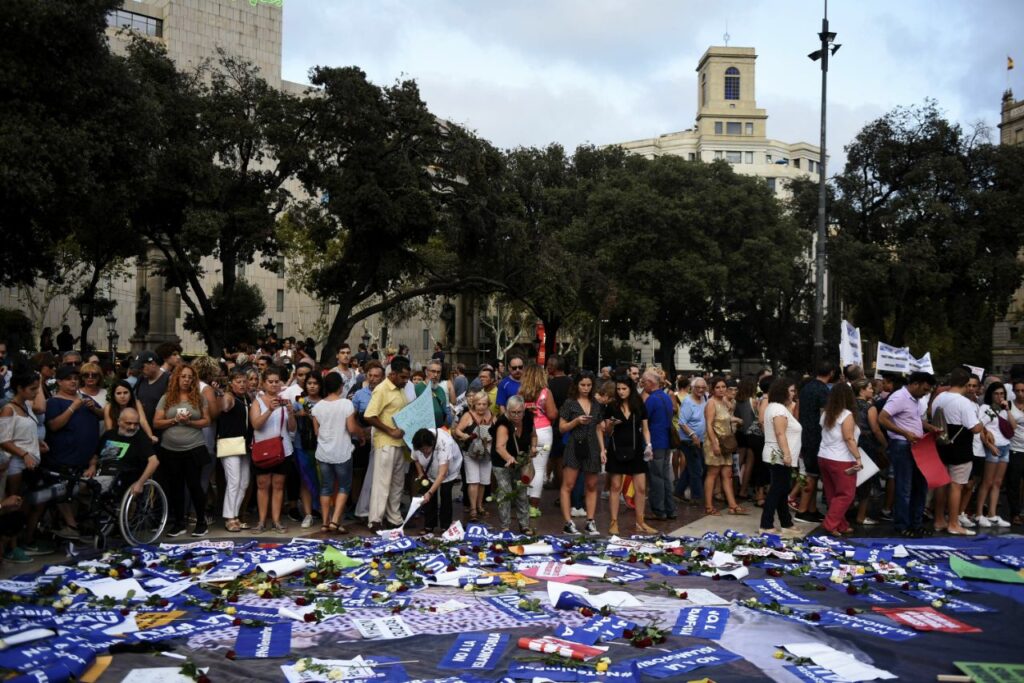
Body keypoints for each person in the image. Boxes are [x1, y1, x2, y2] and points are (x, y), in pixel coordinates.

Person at [154, 364, 211, 538]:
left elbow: (206, 421)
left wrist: (190, 423)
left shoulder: (199, 398)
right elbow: (156, 422)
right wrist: (174, 420)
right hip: (170, 449)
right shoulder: (166, 398)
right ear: (176, 378)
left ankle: (201, 522)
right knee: (175, 487)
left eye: (190, 377)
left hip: (194, 447)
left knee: (195, 486)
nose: (186, 380)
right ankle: (179, 523)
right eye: (183, 376)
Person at [878, 371, 937, 537]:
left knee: (920, 486)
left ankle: (916, 524)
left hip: (918, 445)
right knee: (904, 487)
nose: (925, 393)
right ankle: (902, 525)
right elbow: (882, 418)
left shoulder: (916, 399)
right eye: (924, 389)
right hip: (902, 445)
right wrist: (904, 433)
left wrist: (928, 427)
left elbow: (914, 419)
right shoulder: (899, 397)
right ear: (915, 384)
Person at [44, 365, 99, 539]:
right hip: (63, 458)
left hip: (86, 459)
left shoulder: (84, 398)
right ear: (59, 382)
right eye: (69, 378)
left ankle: (78, 524)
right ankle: (71, 526)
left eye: (76, 378)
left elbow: (104, 414)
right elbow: (54, 425)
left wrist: (93, 408)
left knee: (81, 492)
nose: (74, 381)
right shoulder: (54, 402)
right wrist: (72, 408)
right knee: (61, 492)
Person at [0, 373, 46, 563]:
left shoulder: (27, 405)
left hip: (31, 462)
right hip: (16, 465)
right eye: (32, 388)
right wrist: (24, 454)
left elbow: (26, 430)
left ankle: (18, 542)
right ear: (19, 388)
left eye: (37, 388)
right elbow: (3, 440)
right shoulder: (8, 410)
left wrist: (37, 443)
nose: (36, 392)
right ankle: (11, 547)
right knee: (14, 504)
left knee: (26, 504)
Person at [930, 368, 982, 536]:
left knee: (941, 485)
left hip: (940, 443)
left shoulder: (938, 398)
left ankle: (939, 520)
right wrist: (981, 424)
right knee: (956, 485)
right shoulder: (964, 402)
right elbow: (974, 428)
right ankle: (953, 523)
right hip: (960, 447)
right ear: (966, 384)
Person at [363, 357, 411, 530]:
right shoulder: (382, 389)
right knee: (382, 482)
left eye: (407, 378)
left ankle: (394, 517)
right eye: (403, 377)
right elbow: (369, 415)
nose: (406, 381)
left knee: (397, 483)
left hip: (399, 443)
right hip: (386, 442)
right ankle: (375, 519)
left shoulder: (399, 389)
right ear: (393, 374)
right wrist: (389, 430)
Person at [248, 366, 297, 533]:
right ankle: (262, 521)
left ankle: (276, 521)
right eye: (270, 382)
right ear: (264, 383)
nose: (274, 385)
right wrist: (270, 409)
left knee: (278, 485)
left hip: (283, 449)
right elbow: (256, 424)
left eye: (277, 382)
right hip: (262, 448)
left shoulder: (285, 401)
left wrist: (291, 412)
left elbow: (292, 428)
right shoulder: (257, 402)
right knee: (262, 485)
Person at [605, 378, 656, 535]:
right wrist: (612, 424)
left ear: (630, 389)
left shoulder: (639, 404)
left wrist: (648, 445)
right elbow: (607, 430)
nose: (621, 392)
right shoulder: (612, 406)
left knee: (641, 487)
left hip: (636, 449)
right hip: (616, 448)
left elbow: (645, 428)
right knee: (615, 487)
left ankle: (640, 521)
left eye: (624, 388)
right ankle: (613, 522)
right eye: (619, 389)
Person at [312, 372, 361, 534]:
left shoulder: (317, 407)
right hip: (342, 451)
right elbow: (352, 428)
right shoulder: (346, 404)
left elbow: (317, 432)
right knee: (344, 487)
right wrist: (362, 434)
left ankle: (325, 522)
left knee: (326, 487)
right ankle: (335, 520)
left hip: (323, 452)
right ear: (341, 387)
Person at [559, 371, 604, 536]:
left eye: (589, 385)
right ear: (576, 386)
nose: (585, 388)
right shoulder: (569, 403)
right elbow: (562, 427)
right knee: (568, 485)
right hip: (574, 445)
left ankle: (590, 521)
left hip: (592, 446)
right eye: (582, 385)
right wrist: (576, 421)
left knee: (592, 485)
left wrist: (602, 449)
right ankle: (568, 522)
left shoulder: (596, 403)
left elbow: (599, 427)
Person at [817, 383, 863, 536]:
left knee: (832, 494)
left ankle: (841, 525)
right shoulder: (846, 414)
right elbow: (849, 438)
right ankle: (830, 524)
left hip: (824, 456)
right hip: (842, 459)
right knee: (846, 494)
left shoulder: (826, 413)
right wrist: (858, 458)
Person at [793, 362, 835, 524]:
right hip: (816, 436)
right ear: (831, 373)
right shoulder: (824, 390)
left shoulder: (806, 387)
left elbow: (799, 410)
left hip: (805, 434)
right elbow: (826, 416)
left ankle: (811, 509)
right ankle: (803, 511)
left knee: (812, 473)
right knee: (811, 474)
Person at [759, 378, 801, 535]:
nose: (793, 394)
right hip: (778, 455)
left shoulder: (776, 407)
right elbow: (780, 433)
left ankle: (786, 522)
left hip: (777, 455)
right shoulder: (778, 410)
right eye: (791, 391)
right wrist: (787, 454)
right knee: (777, 490)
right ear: (782, 392)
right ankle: (766, 524)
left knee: (782, 490)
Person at [973, 382, 1016, 528]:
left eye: (1002, 394)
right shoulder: (985, 408)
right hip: (993, 447)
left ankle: (992, 514)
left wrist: (1008, 410)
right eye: (996, 394)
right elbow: (981, 426)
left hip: (1005, 446)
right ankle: (979, 514)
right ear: (990, 395)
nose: (999, 396)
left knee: (997, 482)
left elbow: (1013, 426)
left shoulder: (1004, 409)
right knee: (987, 482)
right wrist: (989, 445)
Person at [492, 395, 536, 534]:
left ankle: (524, 525)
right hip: (502, 463)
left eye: (519, 412)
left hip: (521, 461)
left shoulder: (528, 417)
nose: (516, 415)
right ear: (508, 411)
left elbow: (533, 435)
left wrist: (534, 447)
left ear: (524, 409)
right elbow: (500, 447)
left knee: (522, 493)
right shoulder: (503, 423)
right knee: (505, 493)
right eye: (513, 412)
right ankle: (505, 526)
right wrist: (509, 458)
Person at [702, 377, 745, 516]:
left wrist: (736, 419)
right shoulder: (711, 403)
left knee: (727, 474)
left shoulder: (724, 403)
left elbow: (724, 418)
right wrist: (714, 443)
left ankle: (733, 505)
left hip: (726, 443)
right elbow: (709, 424)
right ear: (713, 389)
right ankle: (709, 506)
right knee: (713, 474)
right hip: (714, 442)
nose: (721, 389)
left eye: (723, 387)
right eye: (718, 387)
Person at [519, 364, 556, 520]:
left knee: (525, 467)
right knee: (539, 469)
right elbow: (553, 414)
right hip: (543, 430)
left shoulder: (520, 393)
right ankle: (533, 507)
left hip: (525, 431)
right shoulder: (545, 393)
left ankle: (523, 504)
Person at [97, 408, 160, 499]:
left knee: (88, 487)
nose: (132, 427)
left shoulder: (140, 438)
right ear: (119, 421)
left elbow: (154, 462)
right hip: (103, 473)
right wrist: (92, 466)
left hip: (124, 479)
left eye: (135, 424)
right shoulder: (109, 435)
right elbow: (95, 455)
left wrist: (140, 483)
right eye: (128, 423)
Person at [217, 368, 252, 532]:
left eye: (245, 381)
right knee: (234, 481)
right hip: (230, 443)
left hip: (245, 445)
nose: (243, 384)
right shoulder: (230, 396)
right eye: (238, 381)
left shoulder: (247, 398)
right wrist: (222, 393)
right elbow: (224, 407)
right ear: (231, 383)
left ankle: (235, 515)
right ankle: (229, 517)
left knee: (244, 482)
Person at [412, 427, 462, 534]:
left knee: (445, 493)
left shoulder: (444, 444)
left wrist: (430, 492)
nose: (424, 453)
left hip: (449, 471)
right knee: (428, 499)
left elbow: (442, 474)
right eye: (422, 450)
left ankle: (445, 525)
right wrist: (421, 474)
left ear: (433, 444)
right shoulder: (417, 444)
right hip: (430, 471)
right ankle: (429, 525)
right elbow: (415, 459)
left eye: (426, 449)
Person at [642, 369, 676, 521]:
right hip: (666, 441)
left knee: (656, 477)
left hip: (655, 441)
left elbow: (644, 419)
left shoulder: (651, 399)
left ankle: (658, 510)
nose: (643, 385)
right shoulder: (666, 397)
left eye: (644, 382)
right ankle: (670, 509)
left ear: (650, 383)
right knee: (665, 477)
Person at [454, 392, 494, 522]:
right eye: (478, 404)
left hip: (487, 453)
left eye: (484, 404)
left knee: (483, 481)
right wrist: (464, 435)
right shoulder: (468, 415)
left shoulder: (492, 416)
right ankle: (473, 509)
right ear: (474, 404)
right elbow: (457, 430)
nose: (481, 407)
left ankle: (479, 505)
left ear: (488, 404)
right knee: (473, 481)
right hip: (471, 453)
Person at [851, 379, 887, 527]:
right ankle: (861, 516)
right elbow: (875, 429)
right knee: (866, 480)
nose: (872, 391)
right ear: (862, 390)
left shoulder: (849, 406)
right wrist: (884, 443)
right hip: (867, 444)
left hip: (852, 443)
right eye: (870, 388)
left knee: (851, 479)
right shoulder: (869, 407)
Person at [351, 360, 384, 521]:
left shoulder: (386, 394)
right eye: (370, 375)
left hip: (380, 437)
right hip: (362, 438)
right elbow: (352, 416)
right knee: (359, 472)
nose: (372, 379)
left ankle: (375, 507)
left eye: (376, 376)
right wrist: (360, 432)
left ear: (382, 377)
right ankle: (357, 505)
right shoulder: (359, 394)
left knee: (377, 475)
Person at [676, 377, 707, 503]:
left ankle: (678, 491)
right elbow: (682, 422)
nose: (700, 390)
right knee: (697, 468)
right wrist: (693, 435)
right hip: (688, 440)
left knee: (693, 467)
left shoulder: (704, 398)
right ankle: (696, 497)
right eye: (697, 387)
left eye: (703, 388)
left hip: (700, 439)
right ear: (692, 388)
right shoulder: (688, 402)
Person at [133, 351, 170, 434]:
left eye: (142, 367)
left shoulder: (168, 380)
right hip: (141, 430)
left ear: (153, 364)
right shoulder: (141, 379)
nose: (140, 370)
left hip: (161, 432)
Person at [1007, 380, 1024, 526]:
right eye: (1017, 390)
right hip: (1014, 448)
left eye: (1023, 390)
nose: (1020, 393)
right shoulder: (1009, 405)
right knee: (1013, 483)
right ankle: (1015, 513)